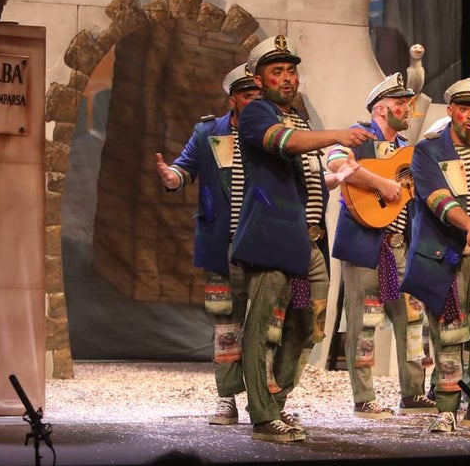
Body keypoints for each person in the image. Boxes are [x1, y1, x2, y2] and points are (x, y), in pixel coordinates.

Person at [232, 35, 373, 443]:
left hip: (307, 242)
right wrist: (337, 135)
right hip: (272, 237)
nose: (287, 78)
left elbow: (308, 177)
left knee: (307, 326)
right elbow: (286, 145)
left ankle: (278, 404)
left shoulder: (299, 117)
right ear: (259, 80)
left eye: (291, 71)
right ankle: (261, 416)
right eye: (277, 72)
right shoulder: (258, 113)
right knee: (261, 329)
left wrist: (336, 176)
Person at [400, 77, 470, 434]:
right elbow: (437, 199)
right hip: (448, 254)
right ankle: (447, 407)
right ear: (450, 111)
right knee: (450, 334)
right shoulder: (428, 150)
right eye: (464, 109)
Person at [154, 65, 262, 426]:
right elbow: (183, 169)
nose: (255, 102)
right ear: (232, 99)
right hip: (224, 246)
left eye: (259, 96)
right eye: (248, 96)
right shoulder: (208, 132)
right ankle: (227, 398)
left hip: (265, 246)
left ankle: (270, 401)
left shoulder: (274, 133)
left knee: (269, 326)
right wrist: (172, 177)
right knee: (227, 326)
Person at [328, 72, 437, 419]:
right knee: (364, 322)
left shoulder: (408, 149)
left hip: (399, 246)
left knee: (412, 319)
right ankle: (364, 397)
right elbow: (335, 162)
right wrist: (380, 183)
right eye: (400, 104)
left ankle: (413, 393)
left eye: (407, 103)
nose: (407, 108)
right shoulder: (358, 134)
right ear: (380, 108)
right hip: (364, 245)